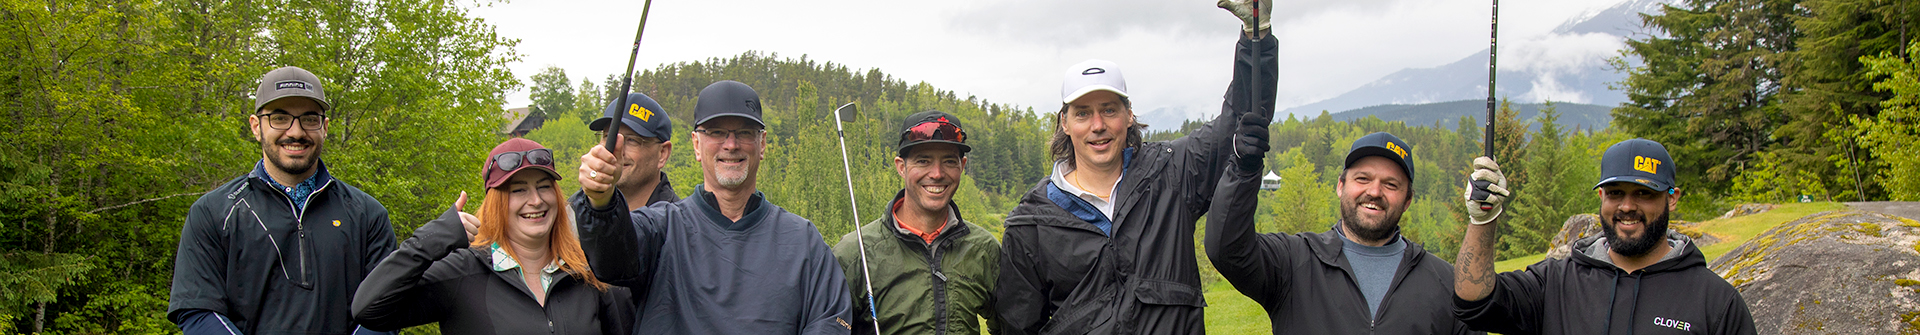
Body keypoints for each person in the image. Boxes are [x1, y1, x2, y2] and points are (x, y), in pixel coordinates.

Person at [993, 2, 1275, 333]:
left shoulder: (1172, 173)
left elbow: (1240, 122)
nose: (1098, 125)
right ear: (1065, 123)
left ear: (1128, 116)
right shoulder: (1031, 222)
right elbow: (1016, 325)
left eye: (1109, 110)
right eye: (1083, 113)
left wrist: (1256, 36)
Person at [575, 80, 853, 334]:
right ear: (696, 144)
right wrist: (601, 200)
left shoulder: (803, 240)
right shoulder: (659, 228)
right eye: (716, 132)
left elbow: (831, 321)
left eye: (744, 132)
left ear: (762, 144)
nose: (731, 145)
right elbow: (611, 259)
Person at [167, 66, 397, 334]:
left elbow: (384, 310)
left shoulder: (367, 215)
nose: (295, 132)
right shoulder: (213, 212)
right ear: (256, 126)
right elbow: (198, 312)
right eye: (279, 118)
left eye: (309, 119)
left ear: (324, 127)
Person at [1453, 138, 1757, 334]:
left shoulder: (1715, 301)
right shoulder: (1555, 284)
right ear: (1601, 196)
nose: (1627, 206)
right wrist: (1482, 219)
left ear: (1672, 198)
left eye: (1644, 193)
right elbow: (1474, 302)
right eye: (1615, 193)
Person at [351, 138, 634, 334]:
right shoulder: (461, 272)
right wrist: (433, 239)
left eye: (544, 186)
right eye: (518, 190)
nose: (536, 200)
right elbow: (369, 308)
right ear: (496, 203)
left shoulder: (586, 274)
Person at [1206, 132, 1478, 334]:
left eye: (1391, 184)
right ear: (1340, 186)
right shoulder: (1294, 262)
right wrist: (1243, 169)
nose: (1374, 191)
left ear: (1407, 200)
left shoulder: (1447, 283)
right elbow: (1227, 249)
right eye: (1363, 178)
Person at [832, 110, 1002, 335]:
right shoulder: (855, 254)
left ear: (962, 166)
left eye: (949, 161)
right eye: (923, 161)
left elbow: (1011, 325)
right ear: (901, 167)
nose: (937, 174)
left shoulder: (984, 250)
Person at [571, 92, 678, 213]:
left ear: (662, 154)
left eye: (632, 140)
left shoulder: (676, 222)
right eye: (610, 137)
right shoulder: (570, 214)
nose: (617, 151)